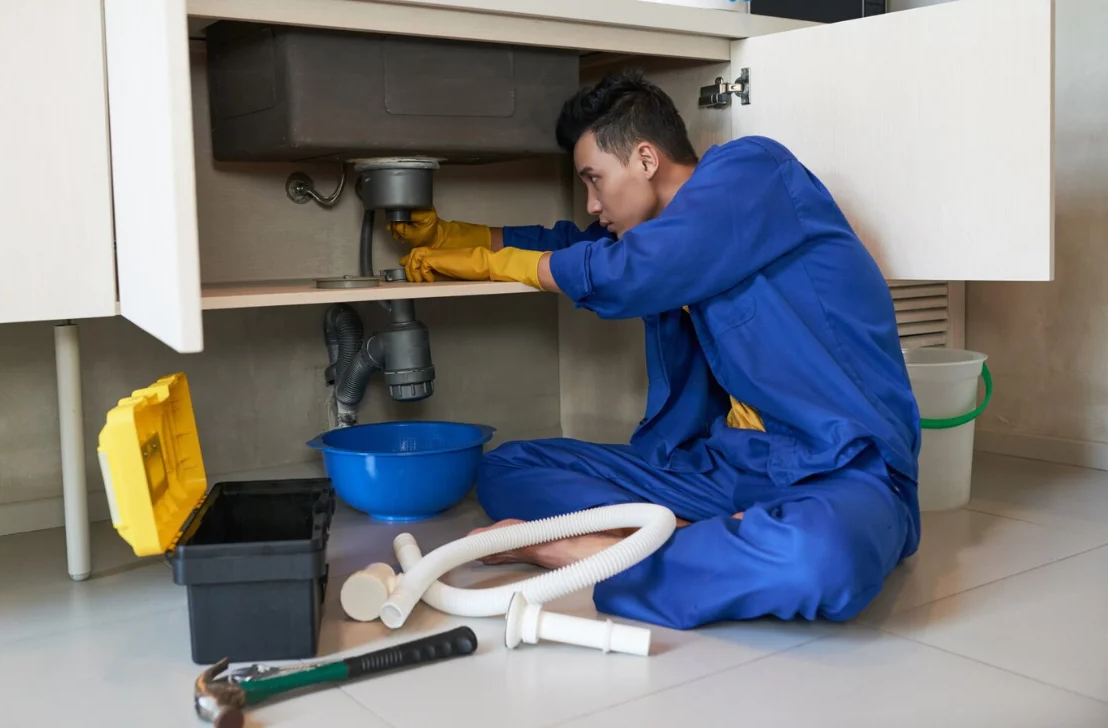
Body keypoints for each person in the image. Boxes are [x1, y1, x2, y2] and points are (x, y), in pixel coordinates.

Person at [389, 70, 922, 630]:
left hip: (841, 468)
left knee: (821, 559)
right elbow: (574, 245)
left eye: (595, 179)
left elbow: (629, 271)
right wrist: (455, 236)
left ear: (646, 159)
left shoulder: (754, 172)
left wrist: (500, 264)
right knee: (507, 468)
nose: (593, 202)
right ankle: (702, 544)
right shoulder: (657, 231)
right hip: (723, 467)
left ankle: (582, 552)